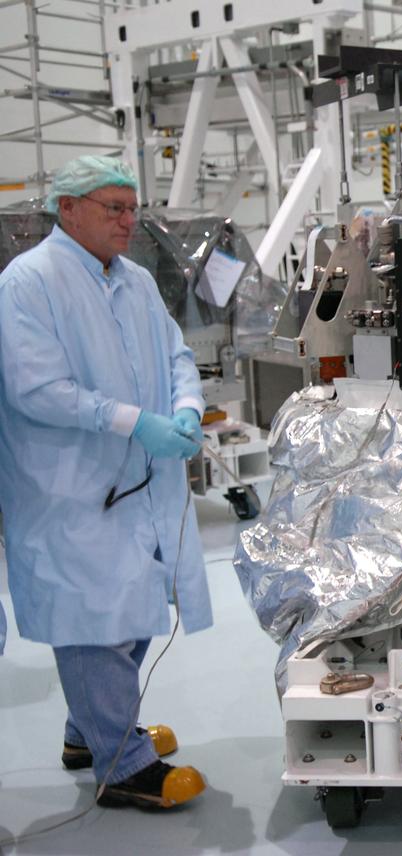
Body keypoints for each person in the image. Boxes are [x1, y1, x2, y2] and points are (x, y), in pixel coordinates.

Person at [0, 155, 211, 809]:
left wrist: (185, 407)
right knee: (94, 620)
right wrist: (133, 422)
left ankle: (87, 732)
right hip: (68, 487)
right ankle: (121, 765)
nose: (128, 221)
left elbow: (176, 351)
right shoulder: (27, 284)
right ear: (67, 208)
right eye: (113, 208)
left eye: (131, 207)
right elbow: (39, 391)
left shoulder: (137, 280)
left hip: (136, 482)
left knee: (136, 601)